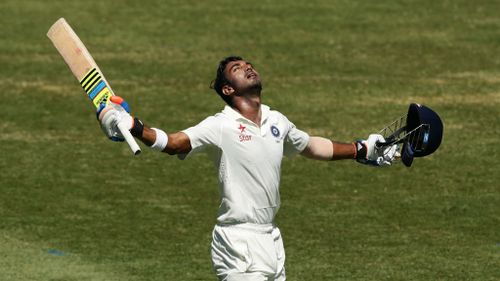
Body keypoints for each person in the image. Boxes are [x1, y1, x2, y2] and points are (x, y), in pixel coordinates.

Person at [98, 56, 397, 281]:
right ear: (228, 88)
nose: (248, 67)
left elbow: (311, 146)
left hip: (271, 240)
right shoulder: (220, 125)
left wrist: (362, 150)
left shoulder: (277, 121)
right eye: (238, 69)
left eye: (248, 64)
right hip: (237, 242)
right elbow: (174, 142)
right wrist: (134, 125)